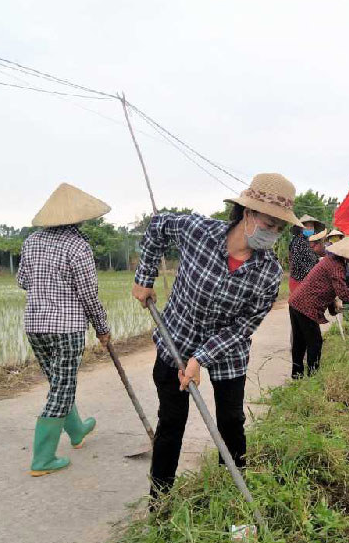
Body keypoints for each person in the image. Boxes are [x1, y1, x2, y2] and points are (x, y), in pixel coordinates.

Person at [131, 173, 301, 501]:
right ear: (248, 214)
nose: (273, 234)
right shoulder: (200, 232)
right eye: (269, 223)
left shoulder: (269, 274)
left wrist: (200, 358)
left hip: (226, 352)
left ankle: (231, 501)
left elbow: (243, 327)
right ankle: (160, 505)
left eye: (279, 228)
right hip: (176, 337)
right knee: (171, 425)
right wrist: (145, 276)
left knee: (231, 424)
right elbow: (158, 226)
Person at [17, 183, 111, 477]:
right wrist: (102, 328)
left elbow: (22, 281)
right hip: (67, 329)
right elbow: (88, 293)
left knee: (58, 384)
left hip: (35, 326)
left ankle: (77, 430)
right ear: (79, 218)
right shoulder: (78, 246)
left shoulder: (31, 241)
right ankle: (42, 459)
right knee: (62, 388)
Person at [288, 236, 349, 377]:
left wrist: (332, 307)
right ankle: (313, 377)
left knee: (300, 343)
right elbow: (343, 293)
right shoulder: (337, 266)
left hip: (296, 303)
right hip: (305, 306)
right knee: (315, 342)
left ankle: (297, 376)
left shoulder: (330, 261)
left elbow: (325, 287)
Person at [288, 214, 325, 293]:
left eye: (311, 226)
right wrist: (315, 272)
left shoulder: (309, 242)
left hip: (307, 281)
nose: (310, 228)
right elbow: (297, 263)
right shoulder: (298, 241)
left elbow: (313, 259)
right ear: (300, 228)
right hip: (300, 281)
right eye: (306, 226)